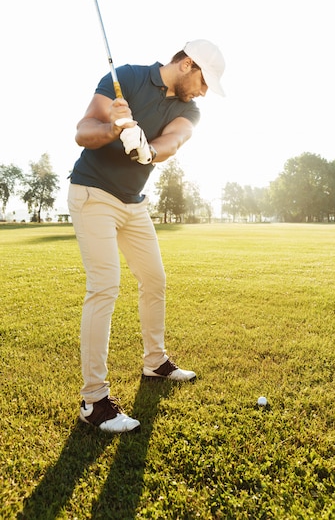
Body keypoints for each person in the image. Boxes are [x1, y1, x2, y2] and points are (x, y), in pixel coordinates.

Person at [68, 39, 226, 433]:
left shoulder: (191, 109)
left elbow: (173, 141)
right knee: (105, 287)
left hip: (133, 203)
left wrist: (146, 150)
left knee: (155, 279)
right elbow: (83, 132)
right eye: (205, 81)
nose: (205, 92)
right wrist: (113, 128)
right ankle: (94, 401)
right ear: (188, 64)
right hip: (93, 193)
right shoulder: (126, 79)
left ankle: (154, 363)